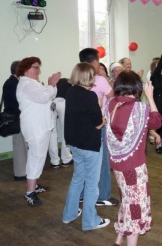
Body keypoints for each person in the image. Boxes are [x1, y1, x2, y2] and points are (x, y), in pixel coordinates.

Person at [105, 71, 162, 246]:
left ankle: (119, 237)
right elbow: (157, 122)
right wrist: (150, 97)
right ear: (137, 87)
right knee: (136, 204)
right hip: (134, 165)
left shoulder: (111, 103)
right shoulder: (139, 108)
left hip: (117, 163)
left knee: (126, 199)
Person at [62, 62, 110, 230]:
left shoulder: (71, 92)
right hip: (89, 145)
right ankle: (90, 221)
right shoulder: (89, 96)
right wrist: (102, 111)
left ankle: (69, 214)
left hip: (75, 144)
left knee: (77, 179)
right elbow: (98, 123)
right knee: (91, 184)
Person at [16, 57, 61, 206]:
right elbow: (43, 98)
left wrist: (52, 86)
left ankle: (34, 185)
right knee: (36, 157)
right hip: (35, 127)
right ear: (26, 68)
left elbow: (51, 95)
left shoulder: (33, 83)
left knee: (39, 157)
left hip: (42, 125)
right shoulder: (26, 84)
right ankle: (30, 192)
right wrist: (50, 85)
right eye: (35, 67)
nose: (38, 70)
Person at [79, 48, 118, 207]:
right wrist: (107, 82)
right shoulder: (99, 80)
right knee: (102, 162)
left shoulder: (77, 79)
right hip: (98, 124)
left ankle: (82, 195)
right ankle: (102, 195)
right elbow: (113, 97)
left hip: (81, 125)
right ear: (95, 62)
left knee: (83, 163)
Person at [2, 60, 27, 181]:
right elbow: (17, 101)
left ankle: (23, 171)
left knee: (21, 145)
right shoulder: (12, 83)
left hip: (18, 116)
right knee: (19, 145)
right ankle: (20, 173)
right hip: (16, 117)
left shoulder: (13, 82)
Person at [48, 78, 73, 168]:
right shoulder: (69, 83)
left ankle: (55, 161)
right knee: (65, 132)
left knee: (52, 132)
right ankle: (66, 159)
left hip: (52, 103)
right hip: (63, 103)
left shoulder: (57, 83)